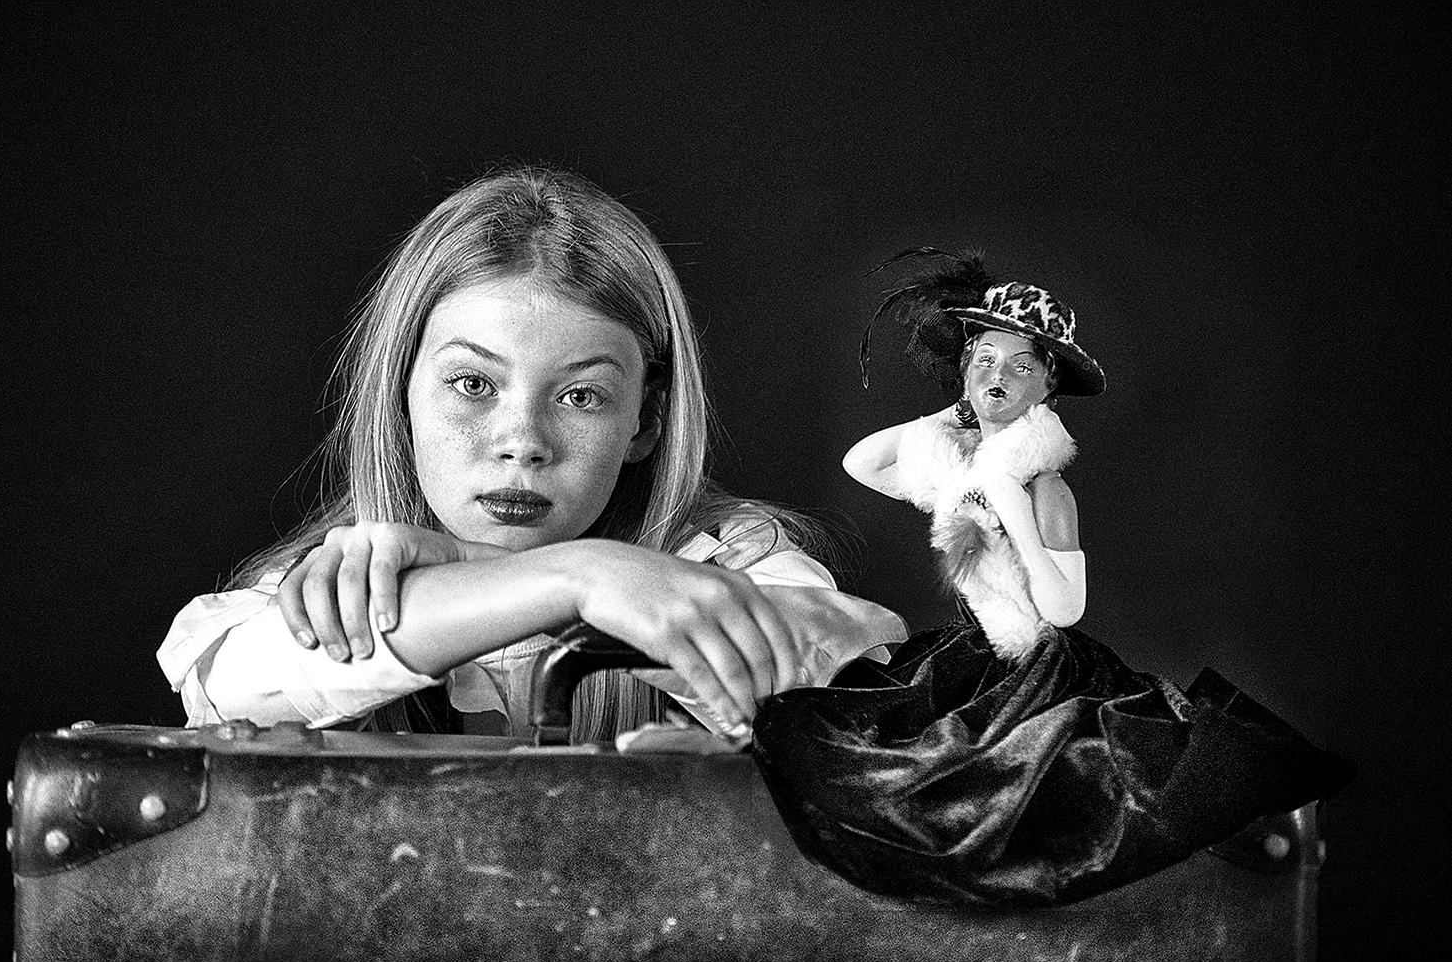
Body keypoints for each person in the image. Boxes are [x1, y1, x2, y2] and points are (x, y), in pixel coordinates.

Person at [157, 166, 904, 744]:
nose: (523, 442)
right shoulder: (343, 574)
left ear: (643, 422)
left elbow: (852, 679)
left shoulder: (730, 558)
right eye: (472, 384)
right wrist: (581, 576)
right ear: (401, 399)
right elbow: (235, 687)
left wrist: (538, 573)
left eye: (580, 395)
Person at [750, 248, 1354, 906]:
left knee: (1001, 795)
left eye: (1020, 366)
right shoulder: (961, 476)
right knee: (850, 746)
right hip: (971, 655)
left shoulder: (1044, 490)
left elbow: (1065, 609)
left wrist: (1013, 508)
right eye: (983, 361)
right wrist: (949, 420)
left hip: (1037, 667)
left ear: (1047, 385)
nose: (998, 378)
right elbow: (862, 464)